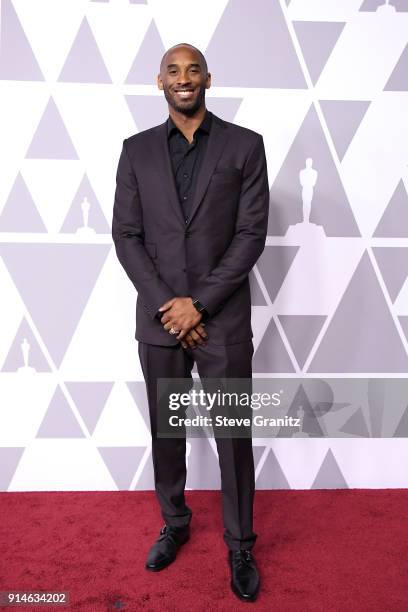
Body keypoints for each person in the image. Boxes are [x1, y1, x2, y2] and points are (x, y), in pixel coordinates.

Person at [112, 42, 269, 602]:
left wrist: (198, 305)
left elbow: (251, 234)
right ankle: (175, 522)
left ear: (208, 78)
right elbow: (126, 236)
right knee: (166, 431)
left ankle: (241, 543)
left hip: (221, 322)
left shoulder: (245, 146)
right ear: (160, 83)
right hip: (159, 322)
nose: (184, 78)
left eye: (193, 69)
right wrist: (170, 307)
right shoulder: (135, 151)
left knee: (233, 437)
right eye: (173, 71)